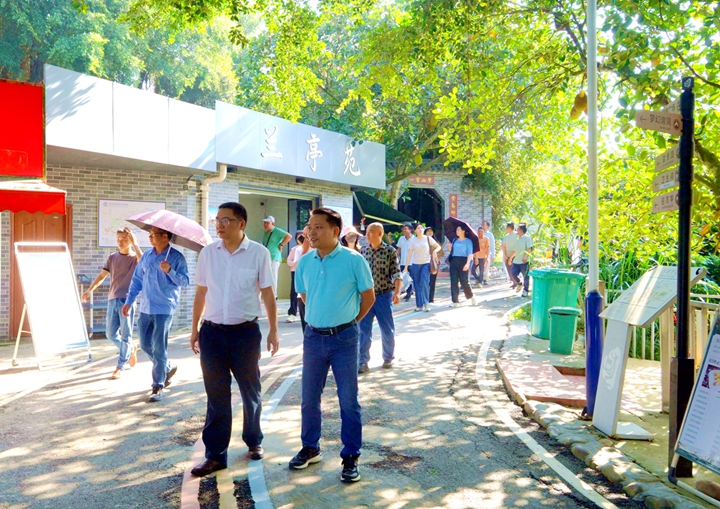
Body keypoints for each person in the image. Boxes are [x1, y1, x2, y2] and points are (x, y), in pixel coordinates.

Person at [188, 202, 280, 477]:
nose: (219, 224)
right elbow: (201, 292)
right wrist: (194, 329)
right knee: (216, 396)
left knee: (250, 391)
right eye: (217, 220)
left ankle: (254, 440)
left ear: (241, 223)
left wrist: (274, 330)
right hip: (212, 333)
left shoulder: (259, 253)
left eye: (226, 220)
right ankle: (215, 455)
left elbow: (268, 293)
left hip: (245, 334)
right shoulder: (208, 253)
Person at [291, 208, 375, 483]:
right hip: (313, 337)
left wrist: (348, 322)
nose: (311, 232)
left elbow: (368, 297)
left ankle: (350, 455)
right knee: (309, 398)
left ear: (335, 231)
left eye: (318, 227)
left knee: (348, 400)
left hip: (344, 339)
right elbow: (304, 295)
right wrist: (320, 319)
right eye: (309, 226)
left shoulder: (354, 260)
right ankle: (310, 447)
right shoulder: (305, 261)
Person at [122, 226, 189, 402]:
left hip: (164, 308)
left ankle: (158, 385)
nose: (150, 237)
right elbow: (137, 280)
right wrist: (129, 301)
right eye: (149, 234)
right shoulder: (147, 256)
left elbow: (185, 281)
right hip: (146, 307)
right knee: (145, 344)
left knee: (159, 347)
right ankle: (166, 367)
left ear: (165, 237)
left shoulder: (176, 258)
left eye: (153, 235)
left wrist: (170, 271)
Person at [82, 226, 142, 379]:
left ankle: (120, 366)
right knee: (110, 334)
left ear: (130, 240)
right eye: (118, 239)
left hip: (127, 300)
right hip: (112, 299)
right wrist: (90, 290)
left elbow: (144, 262)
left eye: (124, 239)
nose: (120, 242)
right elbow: (102, 276)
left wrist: (135, 244)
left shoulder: (135, 258)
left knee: (126, 335)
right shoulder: (112, 257)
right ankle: (131, 349)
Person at [358, 222, 402, 374]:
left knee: (387, 328)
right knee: (363, 330)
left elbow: (396, 273)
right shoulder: (363, 251)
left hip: (384, 295)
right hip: (365, 297)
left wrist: (397, 292)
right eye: (367, 231)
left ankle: (388, 357)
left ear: (380, 234)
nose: (367, 234)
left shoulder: (390, 251)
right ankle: (362, 361)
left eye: (371, 231)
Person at [403, 223, 441, 312]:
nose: (420, 229)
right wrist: (405, 267)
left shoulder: (428, 238)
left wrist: (434, 251)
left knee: (424, 282)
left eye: (421, 228)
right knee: (417, 285)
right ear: (415, 231)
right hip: (415, 264)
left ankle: (426, 303)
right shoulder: (413, 241)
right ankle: (419, 305)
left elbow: (438, 247)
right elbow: (409, 254)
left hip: (426, 263)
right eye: (418, 228)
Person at [262, 215, 292, 296]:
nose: (265, 224)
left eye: (267, 223)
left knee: (273, 276)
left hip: (274, 257)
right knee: (266, 276)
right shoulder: (266, 233)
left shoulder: (277, 231)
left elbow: (289, 236)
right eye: (264, 223)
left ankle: (274, 295)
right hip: (267, 257)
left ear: (273, 223)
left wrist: (281, 244)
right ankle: (268, 294)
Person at [448, 225, 476, 307]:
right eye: (456, 230)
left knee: (464, 281)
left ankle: (471, 296)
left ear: (463, 231)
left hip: (464, 261)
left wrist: (467, 264)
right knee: (453, 281)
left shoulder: (468, 241)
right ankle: (455, 301)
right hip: (454, 261)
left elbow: (470, 253)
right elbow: (453, 252)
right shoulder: (454, 240)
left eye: (458, 230)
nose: (457, 231)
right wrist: (450, 248)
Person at [510, 223, 533, 297]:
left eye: (518, 229)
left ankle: (525, 291)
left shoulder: (527, 238)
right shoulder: (517, 239)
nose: (516, 230)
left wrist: (525, 257)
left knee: (525, 277)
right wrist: (510, 258)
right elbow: (515, 251)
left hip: (524, 261)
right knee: (512, 273)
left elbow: (529, 249)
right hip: (516, 261)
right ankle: (519, 283)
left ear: (521, 230)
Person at [286, 231, 305, 323]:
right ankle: (292, 313)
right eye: (299, 237)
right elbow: (289, 261)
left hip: (305, 272)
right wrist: (295, 263)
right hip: (295, 271)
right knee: (294, 291)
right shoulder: (295, 249)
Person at [395, 222, 415, 301]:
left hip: (412, 262)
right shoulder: (401, 239)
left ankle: (409, 293)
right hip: (403, 262)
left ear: (410, 230)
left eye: (405, 229)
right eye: (403, 229)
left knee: (410, 279)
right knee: (403, 278)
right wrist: (395, 257)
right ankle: (406, 291)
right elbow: (399, 249)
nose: (404, 230)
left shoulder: (414, 239)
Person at [424, 227, 442, 303]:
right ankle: (425, 298)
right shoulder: (422, 241)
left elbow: (441, 252)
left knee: (432, 282)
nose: (430, 232)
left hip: (433, 263)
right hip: (424, 262)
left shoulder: (436, 242)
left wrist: (436, 256)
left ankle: (431, 299)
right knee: (425, 282)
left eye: (431, 231)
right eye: (428, 231)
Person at [501, 222, 519, 286]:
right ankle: (514, 282)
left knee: (513, 270)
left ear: (510, 228)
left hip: (515, 255)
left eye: (507, 228)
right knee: (509, 270)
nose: (506, 229)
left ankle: (517, 282)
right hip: (507, 255)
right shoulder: (506, 236)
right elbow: (503, 246)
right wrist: (504, 255)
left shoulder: (516, 235)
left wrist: (511, 257)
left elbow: (517, 246)